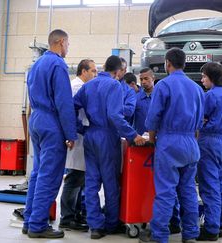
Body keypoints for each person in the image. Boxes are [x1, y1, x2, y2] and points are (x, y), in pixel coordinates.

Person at [74, 55, 146, 239]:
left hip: (90, 135)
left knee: (91, 182)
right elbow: (115, 116)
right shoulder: (114, 86)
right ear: (119, 71)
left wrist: (80, 128)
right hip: (107, 136)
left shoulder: (88, 85)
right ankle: (112, 223)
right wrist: (133, 135)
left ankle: (95, 226)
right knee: (110, 182)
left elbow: (72, 105)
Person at [139, 48, 204, 243]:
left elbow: (153, 118)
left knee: (166, 191)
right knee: (189, 191)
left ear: (168, 63)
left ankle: (159, 235)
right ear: (184, 64)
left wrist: (152, 139)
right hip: (191, 144)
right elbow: (200, 123)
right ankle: (191, 234)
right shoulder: (197, 89)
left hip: (169, 143)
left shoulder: (163, 85)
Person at [23, 29, 77, 239]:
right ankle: (38, 225)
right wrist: (70, 133)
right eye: (68, 44)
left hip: (36, 119)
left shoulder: (36, 65)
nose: (68, 48)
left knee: (37, 173)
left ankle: (29, 221)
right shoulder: (57, 64)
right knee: (50, 175)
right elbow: (64, 102)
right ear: (61, 42)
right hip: (51, 123)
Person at [133, 68, 182, 233]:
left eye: (146, 78)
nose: (143, 82)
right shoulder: (136, 99)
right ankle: (143, 216)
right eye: (141, 79)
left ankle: (173, 221)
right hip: (141, 149)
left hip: (163, 146)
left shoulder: (163, 96)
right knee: (146, 186)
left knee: (167, 187)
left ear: (153, 78)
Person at [196, 62, 222, 241]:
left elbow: (198, 118)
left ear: (212, 77)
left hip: (208, 142)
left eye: (204, 76)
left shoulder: (210, 96)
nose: (202, 80)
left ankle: (210, 229)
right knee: (219, 187)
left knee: (209, 187)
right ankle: (221, 224)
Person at [59, 59, 97, 232]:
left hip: (82, 137)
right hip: (78, 138)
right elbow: (71, 111)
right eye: (93, 71)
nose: (95, 74)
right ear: (84, 71)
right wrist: (77, 129)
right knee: (74, 178)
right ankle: (66, 218)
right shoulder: (77, 87)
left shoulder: (83, 86)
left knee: (80, 179)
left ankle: (75, 214)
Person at [117, 58, 137, 122]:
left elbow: (129, 111)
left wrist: (112, 106)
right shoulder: (104, 85)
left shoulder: (129, 91)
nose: (118, 72)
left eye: (121, 70)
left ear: (125, 71)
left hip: (119, 128)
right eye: (117, 69)